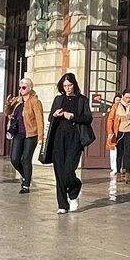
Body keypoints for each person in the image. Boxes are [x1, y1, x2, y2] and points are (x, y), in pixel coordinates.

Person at [42, 73, 93, 213]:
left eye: (69, 85)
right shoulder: (58, 99)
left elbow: (88, 118)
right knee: (59, 172)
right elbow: (50, 117)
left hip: (75, 138)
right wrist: (55, 115)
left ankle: (75, 188)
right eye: (64, 86)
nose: (67, 88)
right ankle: (62, 205)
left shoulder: (82, 100)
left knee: (68, 170)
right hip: (58, 138)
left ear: (74, 85)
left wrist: (73, 116)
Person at [5, 78, 43, 192]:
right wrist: (8, 104)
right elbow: (8, 113)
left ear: (30, 88)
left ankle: (26, 185)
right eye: (20, 87)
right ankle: (26, 176)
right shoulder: (18, 100)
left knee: (26, 159)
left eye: (24, 87)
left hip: (31, 134)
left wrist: (41, 137)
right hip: (18, 133)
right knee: (14, 159)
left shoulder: (35, 101)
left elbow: (39, 119)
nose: (21, 89)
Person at [104, 88, 130, 190]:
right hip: (119, 132)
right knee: (119, 153)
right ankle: (118, 173)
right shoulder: (116, 106)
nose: (128, 100)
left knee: (128, 153)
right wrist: (110, 132)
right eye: (126, 97)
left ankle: (127, 175)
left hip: (129, 132)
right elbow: (110, 119)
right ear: (122, 97)